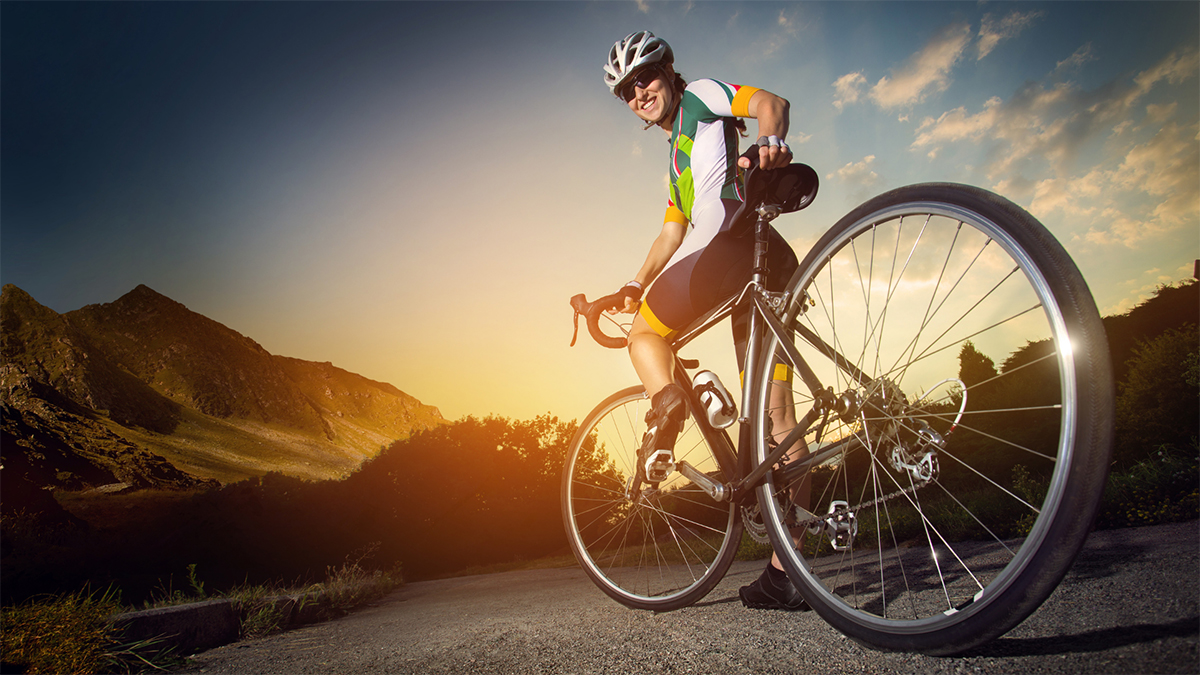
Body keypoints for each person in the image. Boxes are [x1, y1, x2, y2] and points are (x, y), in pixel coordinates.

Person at [600, 30, 811, 611]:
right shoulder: (677, 157)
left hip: (721, 257)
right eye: (626, 90)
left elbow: (773, 104)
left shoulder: (703, 97)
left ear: (668, 69)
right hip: (765, 261)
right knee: (778, 418)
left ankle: (667, 409)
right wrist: (636, 282)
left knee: (644, 335)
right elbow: (672, 229)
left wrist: (769, 142)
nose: (638, 91)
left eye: (644, 77)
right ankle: (785, 573)